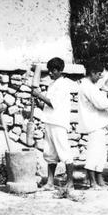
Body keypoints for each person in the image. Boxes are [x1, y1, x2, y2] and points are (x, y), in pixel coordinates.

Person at [77, 58, 108, 190]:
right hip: (93, 124)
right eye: (99, 74)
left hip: (99, 124)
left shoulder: (92, 85)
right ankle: (92, 182)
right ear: (92, 73)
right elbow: (101, 103)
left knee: (101, 154)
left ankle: (100, 181)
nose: (100, 76)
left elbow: (103, 90)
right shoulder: (86, 86)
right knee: (94, 153)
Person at [31, 57, 77, 192]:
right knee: (50, 153)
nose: (50, 73)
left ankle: (70, 183)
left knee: (64, 152)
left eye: (53, 71)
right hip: (50, 121)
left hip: (58, 122)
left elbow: (53, 103)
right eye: (49, 70)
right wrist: (37, 101)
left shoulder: (63, 85)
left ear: (60, 71)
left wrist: (39, 95)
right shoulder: (53, 85)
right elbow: (47, 104)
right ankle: (50, 182)